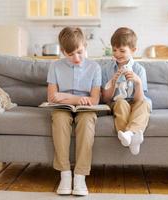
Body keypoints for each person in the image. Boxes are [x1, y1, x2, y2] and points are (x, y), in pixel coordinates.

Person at [47, 27, 101, 196]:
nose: (76, 58)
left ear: (85, 46)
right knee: (60, 119)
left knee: (87, 121)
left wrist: (64, 96)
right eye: (70, 55)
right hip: (63, 108)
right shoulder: (55, 66)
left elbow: (94, 100)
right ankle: (65, 174)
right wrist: (76, 99)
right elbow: (52, 98)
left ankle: (80, 177)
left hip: (86, 108)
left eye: (80, 52)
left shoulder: (95, 67)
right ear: (63, 51)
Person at [101, 27, 152, 155]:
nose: (117, 54)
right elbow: (106, 99)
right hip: (117, 102)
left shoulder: (139, 70)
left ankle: (129, 134)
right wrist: (113, 82)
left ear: (133, 50)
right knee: (121, 103)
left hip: (135, 102)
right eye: (114, 50)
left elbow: (139, 100)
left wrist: (138, 82)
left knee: (145, 103)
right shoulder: (107, 69)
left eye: (122, 50)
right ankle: (133, 139)